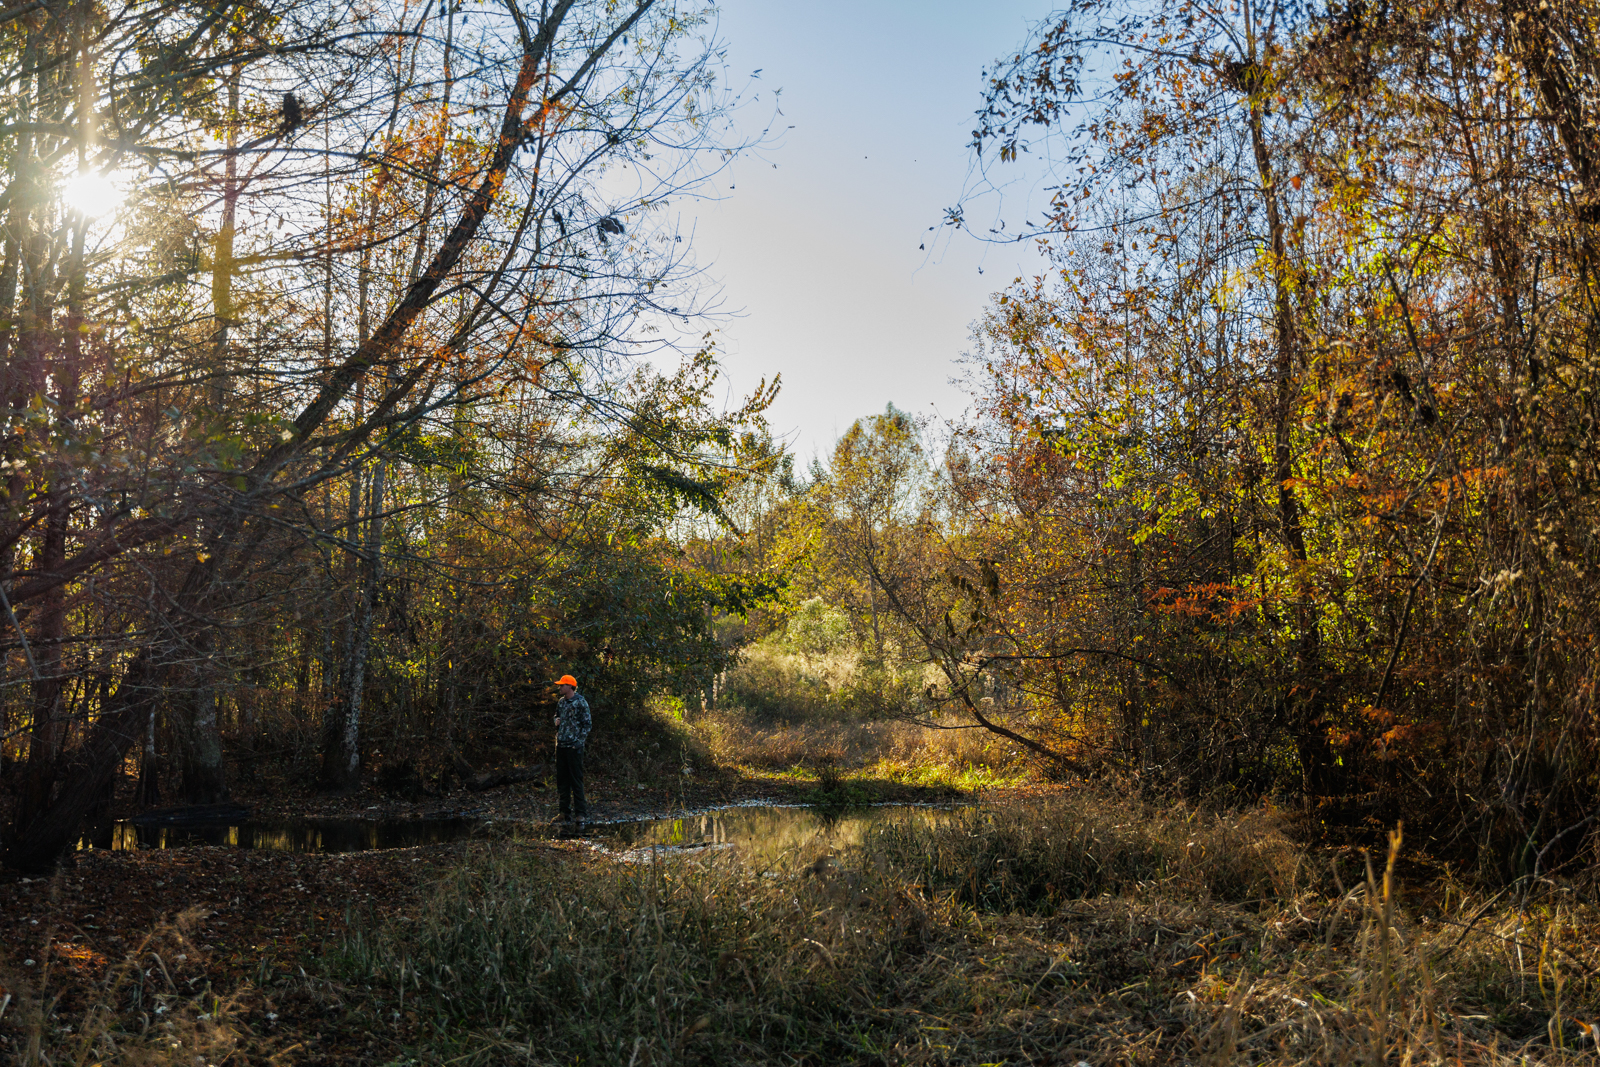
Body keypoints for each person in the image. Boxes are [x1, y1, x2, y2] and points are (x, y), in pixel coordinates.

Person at [552, 674, 591, 831]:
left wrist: (578, 743)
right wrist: (555, 721)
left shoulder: (581, 702)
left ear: (570, 686)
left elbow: (587, 724)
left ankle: (580, 814)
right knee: (562, 781)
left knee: (576, 780)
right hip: (561, 746)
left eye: (562, 685)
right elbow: (556, 716)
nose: (560, 687)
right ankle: (564, 812)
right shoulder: (561, 702)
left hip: (574, 748)